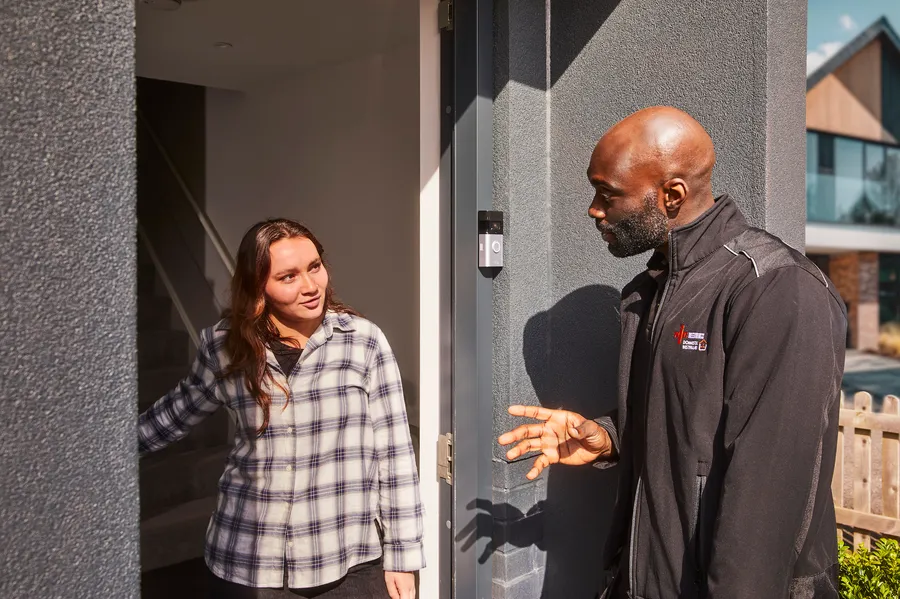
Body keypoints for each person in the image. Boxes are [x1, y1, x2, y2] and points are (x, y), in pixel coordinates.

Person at [499, 107, 847, 599]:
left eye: (607, 193)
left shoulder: (776, 289)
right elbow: (688, 420)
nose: (594, 209)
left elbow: (767, 499)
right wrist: (609, 437)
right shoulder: (651, 291)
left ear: (672, 195)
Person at [138, 219, 424, 599]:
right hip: (249, 562)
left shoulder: (362, 342)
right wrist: (98, 453)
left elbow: (395, 454)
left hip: (347, 561)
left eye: (314, 267)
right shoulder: (225, 347)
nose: (310, 286)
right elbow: (172, 416)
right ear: (258, 287)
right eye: (288, 277)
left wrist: (402, 554)